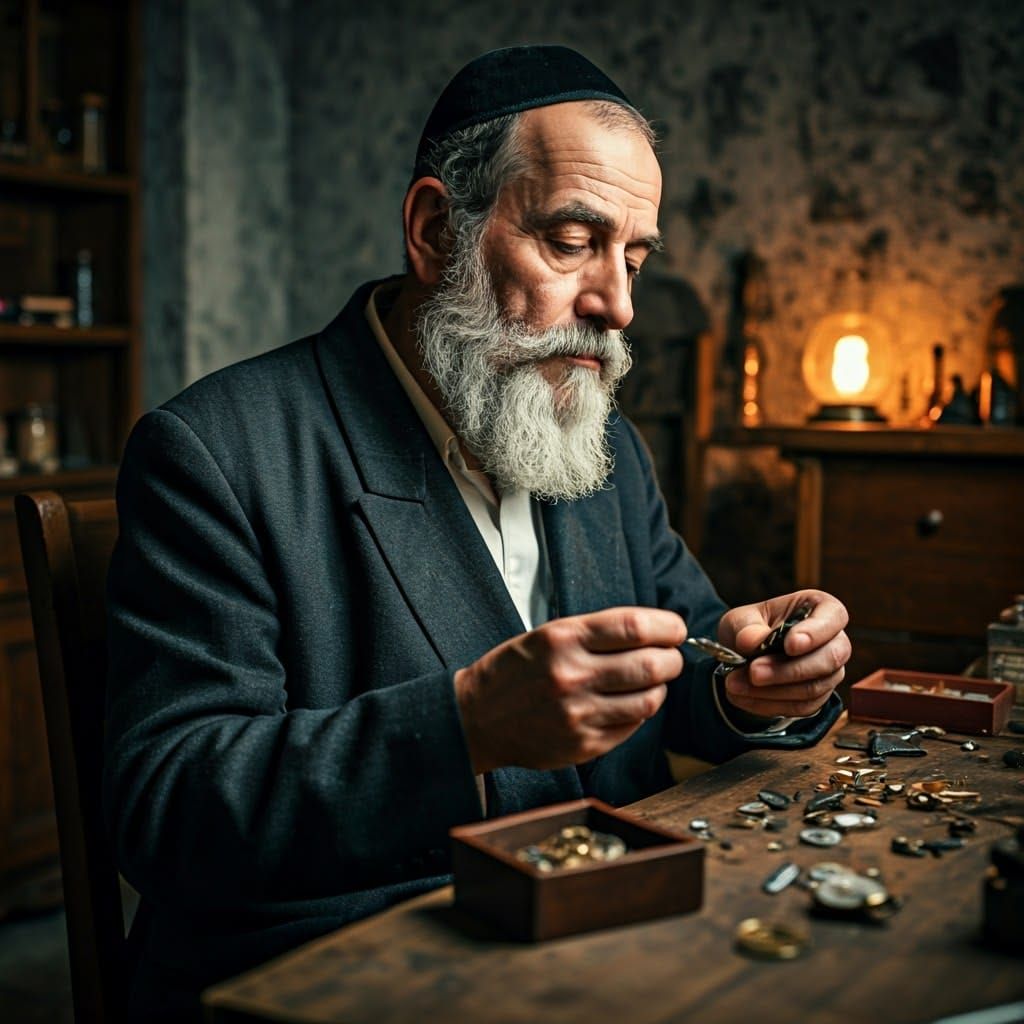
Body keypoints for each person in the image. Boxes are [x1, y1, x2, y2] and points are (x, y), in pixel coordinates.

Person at [105, 45, 849, 1019]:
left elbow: (691, 655)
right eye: (572, 240)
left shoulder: (597, 440)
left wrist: (756, 680)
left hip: (609, 940)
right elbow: (171, 807)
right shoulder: (217, 452)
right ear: (431, 231)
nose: (617, 306)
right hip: (348, 974)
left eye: (634, 255)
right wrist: (463, 728)